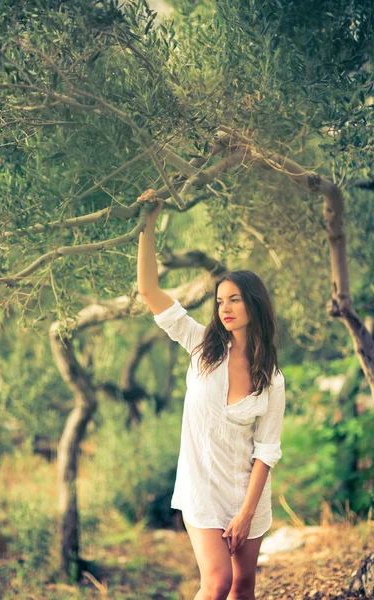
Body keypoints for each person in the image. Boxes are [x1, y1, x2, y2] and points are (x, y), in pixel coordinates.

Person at [136, 190, 286, 600]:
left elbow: (266, 451)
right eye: (220, 301)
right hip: (201, 488)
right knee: (217, 582)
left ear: (254, 304)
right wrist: (149, 222)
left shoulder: (272, 378)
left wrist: (245, 513)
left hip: (247, 495)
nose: (225, 308)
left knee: (243, 586)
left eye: (234, 299)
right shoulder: (202, 346)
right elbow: (149, 290)